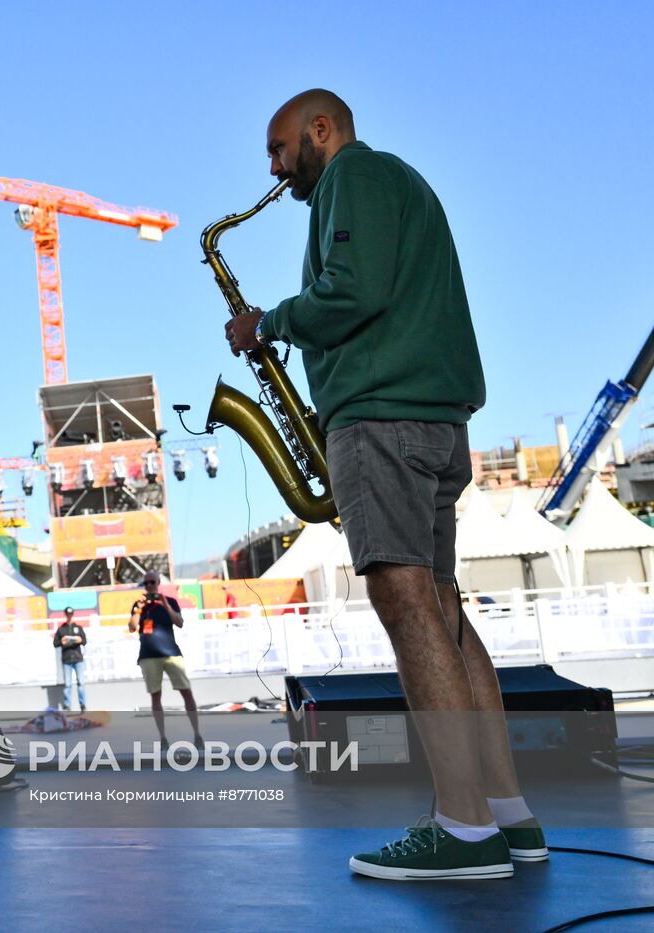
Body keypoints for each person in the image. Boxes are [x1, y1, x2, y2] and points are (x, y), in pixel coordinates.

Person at [225, 89, 542, 881]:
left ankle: (464, 828)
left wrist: (265, 325)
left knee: (406, 606)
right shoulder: (402, 182)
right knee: (442, 608)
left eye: (279, 146)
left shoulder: (350, 179)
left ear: (320, 131)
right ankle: (508, 814)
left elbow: (352, 291)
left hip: (381, 418)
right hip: (435, 417)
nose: (273, 166)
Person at [127, 572, 203, 749]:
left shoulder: (170, 601)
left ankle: (197, 734)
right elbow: (132, 627)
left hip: (171, 653)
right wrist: (139, 608)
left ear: (158, 583)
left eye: (152, 582)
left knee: (186, 692)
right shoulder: (139, 606)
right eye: (146, 584)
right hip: (148, 655)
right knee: (156, 696)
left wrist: (165, 604)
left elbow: (179, 623)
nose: (149, 586)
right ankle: (163, 738)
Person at [52, 607, 89, 712]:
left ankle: (83, 705)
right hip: (67, 659)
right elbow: (55, 643)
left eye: (71, 614)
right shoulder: (61, 629)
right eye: (68, 614)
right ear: (65, 615)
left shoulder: (78, 628)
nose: (69, 616)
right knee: (67, 684)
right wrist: (61, 642)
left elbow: (85, 641)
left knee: (81, 682)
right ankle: (67, 706)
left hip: (78, 658)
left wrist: (80, 640)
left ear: (73, 615)